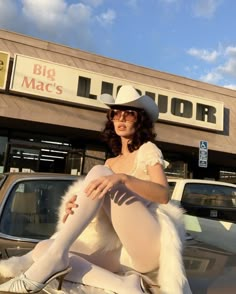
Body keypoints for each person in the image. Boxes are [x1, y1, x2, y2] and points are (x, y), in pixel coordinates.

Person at [0, 85, 191, 294]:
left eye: (129, 114)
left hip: (145, 245)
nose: (121, 119)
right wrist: (76, 205)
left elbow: (163, 195)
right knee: (42, 250)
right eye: (115, 114)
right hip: (116, 250)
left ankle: (57, 254)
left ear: (140, 120)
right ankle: (124, 285)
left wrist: (124, 179)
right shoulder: (111, 162)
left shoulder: (147, 150)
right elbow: (101, 213)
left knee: (101, 173)